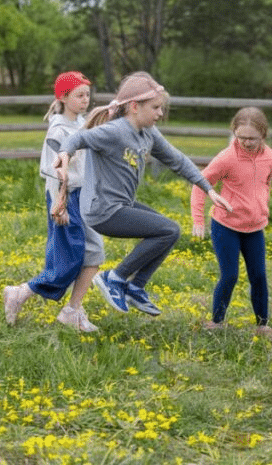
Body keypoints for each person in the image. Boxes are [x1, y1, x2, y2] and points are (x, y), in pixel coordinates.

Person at [53, 71, 232, 316]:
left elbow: (177, 159)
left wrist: (208, 189)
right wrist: (64, 155)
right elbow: (80, 137)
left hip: (120, 205)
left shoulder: (148, 133)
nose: (160, 113)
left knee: (170, 231)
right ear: (135, 106)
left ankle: (135, 287)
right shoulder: (115, 131)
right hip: (102, 210)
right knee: (167, 230)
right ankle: (114, 278)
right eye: (156, 107)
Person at [3, 71, 105, 332]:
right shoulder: (58, 130)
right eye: (79, 95)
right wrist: (59, 203)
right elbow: (56, 170)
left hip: (87, 196)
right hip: (67, 197)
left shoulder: (82, 123)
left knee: (95, 253)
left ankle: (73, 310)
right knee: (68, 260)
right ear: (63, 97)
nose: (85, 100)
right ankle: (21, 292)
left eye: (87, 95)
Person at [190, 107, 272, 337]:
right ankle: (217, 322)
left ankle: (262, 325)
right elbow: (200, 184)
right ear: (234, 133)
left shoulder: (270, 156)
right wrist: (198, 219)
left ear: (264, 135)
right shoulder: (227, 158)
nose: (246, 143)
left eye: (252, 138)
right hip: (226, 226)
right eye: (241, 137)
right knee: (230, 275)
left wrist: (261, 207)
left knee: (258, 276)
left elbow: (265, 183)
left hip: (255, 228)